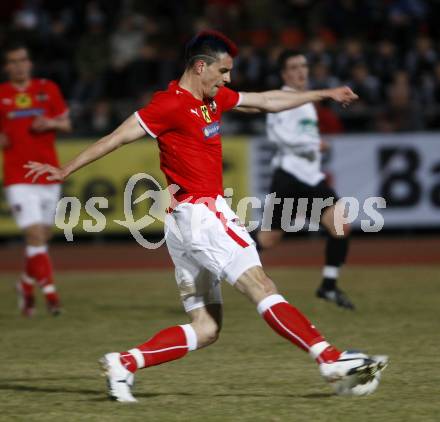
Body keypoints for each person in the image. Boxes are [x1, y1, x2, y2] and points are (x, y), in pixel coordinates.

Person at [25, 31, 388, 402]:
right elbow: (117, 137)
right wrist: (65, 169)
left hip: (184, 223)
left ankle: (125, 363)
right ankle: (330, 360)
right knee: (261, 286)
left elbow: (265, 100)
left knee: (207, 327)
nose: (228, 79)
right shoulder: (169, 104)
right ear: (201, 66)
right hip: (203, 216)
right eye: (224, 71)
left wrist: (322, 94)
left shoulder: (211, 99)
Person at [253, 50, 355, 310]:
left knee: (338, 225)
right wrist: (313, 144)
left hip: (309, 178)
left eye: (303, 66)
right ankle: (220, 260)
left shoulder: (306, 100)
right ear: (284, 74)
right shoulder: (282, 99)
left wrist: (312, 145)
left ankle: (328, 286)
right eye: (294, 67)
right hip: (290, 177)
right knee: (268, 240)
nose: (301, 71)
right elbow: (278, 138)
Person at [0, 42, 71, 316]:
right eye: (13, 61)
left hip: (48, 173)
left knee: (42, 236)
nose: (19, 65)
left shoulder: (47, 88)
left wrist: (50, 123)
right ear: (7, 67)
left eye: (22, 60)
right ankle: (51, 295)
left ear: (29, 63)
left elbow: (65, 123)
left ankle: (25, 284)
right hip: (17, 176)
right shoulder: (2, 94)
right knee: (34, 234)